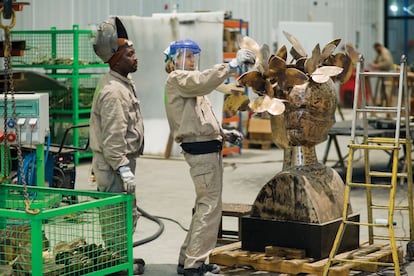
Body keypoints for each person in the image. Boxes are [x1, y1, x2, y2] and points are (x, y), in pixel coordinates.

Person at [163, 39, 255, 276]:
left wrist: (224, 134)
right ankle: (195, 265)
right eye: (188, 56)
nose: (192, 61)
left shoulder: (189, 85)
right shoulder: (178, 79)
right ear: (173, 60)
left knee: (204, 205)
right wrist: (232, 64)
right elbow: (204, 81)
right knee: (209, 207)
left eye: (194, 56)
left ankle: (187, 259)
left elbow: (200, 118)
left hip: (208, 148)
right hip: (201, 152)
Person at [90, 16, 145, 275]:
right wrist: (123, 167)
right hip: (113, 164)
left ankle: (122, 259)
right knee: (115, 218)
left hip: (118, 162)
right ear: (116, 58)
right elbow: (113, 139)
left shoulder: (123, 83)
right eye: (131, 54)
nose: (135, 58)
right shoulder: (113, 91)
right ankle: (116, 267)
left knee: (125, 215)